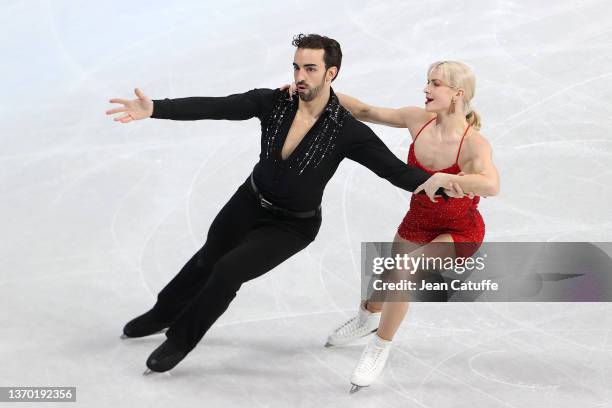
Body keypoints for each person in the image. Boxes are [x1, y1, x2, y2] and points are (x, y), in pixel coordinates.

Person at [105, 34, 463, 376]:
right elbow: (219, 106)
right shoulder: (274, 102)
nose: (300, 76)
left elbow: (394, 170)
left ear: (331, 73)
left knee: (229, 271)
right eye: (296, 67)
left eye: (310, 68)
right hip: (249, 201)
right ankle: (163, 311)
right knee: (208, 257)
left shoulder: (346, 131)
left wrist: (440, 185)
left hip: (292, 225)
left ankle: (180, 341)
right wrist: (155, 109)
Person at [283, 60, 500, 392]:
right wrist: (317, 91)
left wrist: (454, 178)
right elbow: (366, 110)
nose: (427, 89)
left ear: (457, 94)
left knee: (404, 272)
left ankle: (379, 347)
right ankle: (366, 317)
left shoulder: (473, 143)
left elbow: (491, 184)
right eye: (427, 82)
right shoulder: (418, 120)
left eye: (436, 84)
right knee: (382, 288)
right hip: (417, 222)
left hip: (460, 230)